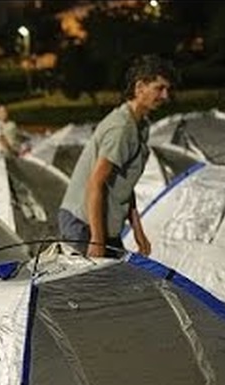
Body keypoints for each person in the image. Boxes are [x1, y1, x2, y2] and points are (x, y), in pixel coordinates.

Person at [58, 54, 176, 258]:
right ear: (140, 88)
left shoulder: (141, 126)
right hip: (84, 224)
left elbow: (124, 184)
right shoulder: (121, 129)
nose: (166, 95)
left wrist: (138, 232)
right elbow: (95, 183)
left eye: (168, 89)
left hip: (103, 225)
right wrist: (97, 240)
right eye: (159, 88)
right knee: (96, 287)